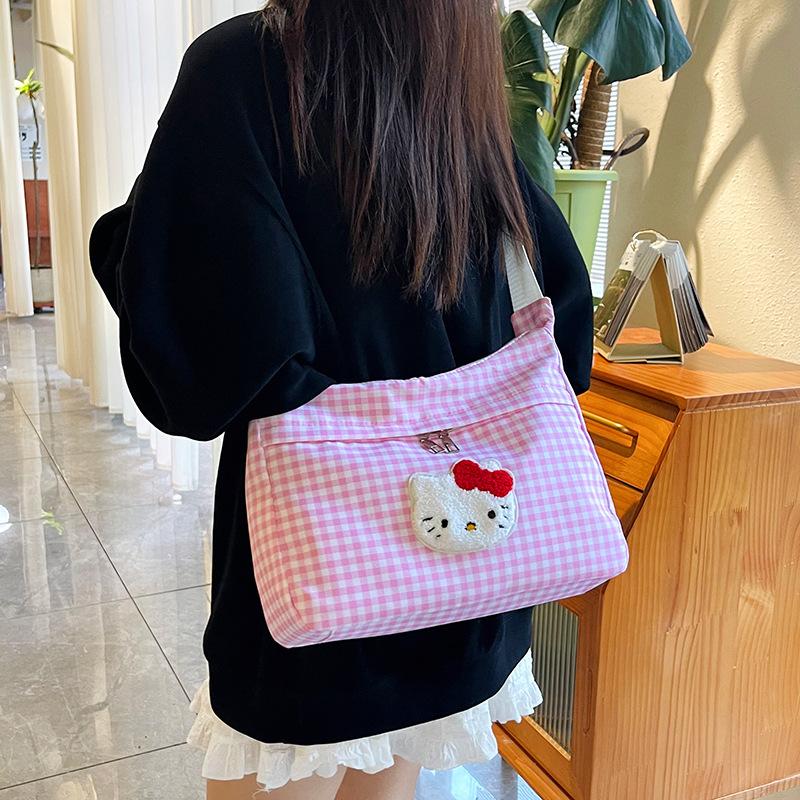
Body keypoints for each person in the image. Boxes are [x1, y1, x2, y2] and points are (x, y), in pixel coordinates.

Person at [89, 3, 593, 798]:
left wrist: (128, 236)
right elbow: (560, 320)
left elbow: (203, 360)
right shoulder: (459, 70)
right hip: (463, 579)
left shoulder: (244, 65)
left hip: (319, 564)